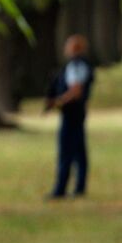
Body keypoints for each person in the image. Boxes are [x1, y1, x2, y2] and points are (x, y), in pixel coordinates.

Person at [44, 34, 95, 199]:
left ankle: (60, 189)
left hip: (71, 114)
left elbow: (76, 90)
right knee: (79, 152)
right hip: (78, 114)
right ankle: (79, 187)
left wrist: (58, 101)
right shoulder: (83, 65)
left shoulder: (76, 66)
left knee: (66, 152)